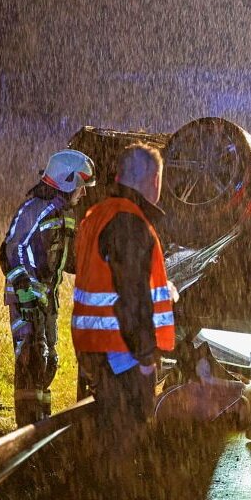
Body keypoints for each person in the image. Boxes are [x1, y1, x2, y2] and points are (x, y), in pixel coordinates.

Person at [72, 142, 176, 441]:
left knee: (106, 431)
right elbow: (131, 295)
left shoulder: (98, 214)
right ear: (154, 180)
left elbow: (104, 279)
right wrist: (145, 357)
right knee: (129, 435)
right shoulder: (130, 221)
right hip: (122, 351)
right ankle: (118, 486)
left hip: (93, 344)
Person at [0, 149, 95, 425]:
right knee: (30, 358)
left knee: (48, 360)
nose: (83, 193)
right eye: (80, 186)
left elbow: (63, 258)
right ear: (66, 181)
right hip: (27, 299)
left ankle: (41, 424)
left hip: (47, 300)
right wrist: (24, 289)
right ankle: (27, 430)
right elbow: (13, 249)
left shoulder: (63, 213)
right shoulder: (35, 209)